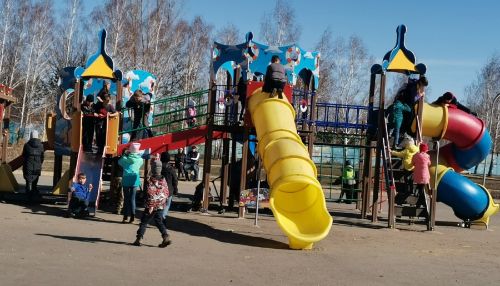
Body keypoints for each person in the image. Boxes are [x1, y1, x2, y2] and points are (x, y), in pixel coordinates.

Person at [132, 164, 171, 248]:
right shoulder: (164, 180)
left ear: (153, 170)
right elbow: (166, 192)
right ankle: (165, 236)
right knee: (158, 221)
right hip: (160, 205)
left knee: (144, 222)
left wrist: (151, 205)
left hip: (151, 205)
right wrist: (162, 201)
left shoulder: (151, 180)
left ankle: (139, 238)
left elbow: (150, 193)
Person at [118, 142, 144, 223]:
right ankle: (132, 216)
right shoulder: (140, 160)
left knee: (126, 198)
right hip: (135, 180)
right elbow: (140, 163)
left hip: (126, 179)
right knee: (133, 199)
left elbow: (119, 162)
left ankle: (125, 217)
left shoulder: (125, 159)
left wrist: (125, 155)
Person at [22, 130, 44, 202]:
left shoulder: (26, 145)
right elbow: (42, 157)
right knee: (35, 181)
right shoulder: (41, 146)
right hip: (37, 166)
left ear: (31, 136)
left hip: (28, 165)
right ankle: (34, 197)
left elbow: (23, 156)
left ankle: (28, 198)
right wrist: (39, 163)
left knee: (28, 181)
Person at [160, 152, 178, 222]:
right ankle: (163, 217)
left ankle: (160, 216)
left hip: (160, 188)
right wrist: (175, 189)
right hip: (169, 190)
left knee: (160, 204)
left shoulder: (159, 167)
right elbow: (175, 180)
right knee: (167, 205)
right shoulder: (171, 169)